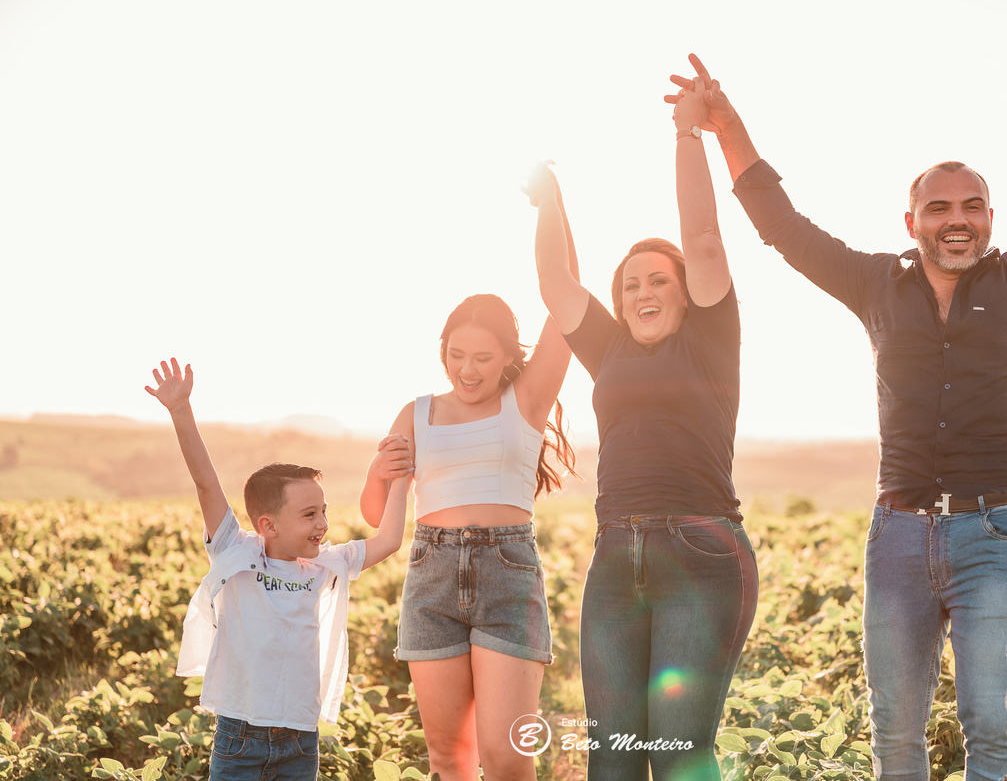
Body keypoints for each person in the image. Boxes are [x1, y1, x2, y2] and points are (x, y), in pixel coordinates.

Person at [666, 0, 1007, 781]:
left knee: (993, 731)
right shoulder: (875, 286)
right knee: (895, 736)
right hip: (896, 536)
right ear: (911, 221)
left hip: (996, 532)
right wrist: (724, 127)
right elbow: (782, 225)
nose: (955, 219)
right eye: (938, 207)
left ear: (990, 216)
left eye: (970, 207)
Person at [527, 78, 758, 781]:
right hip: (616, 556)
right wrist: (549, 200)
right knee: (614, 757)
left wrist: (688, 135)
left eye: (658, 281)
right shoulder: (612, 349)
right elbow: (558, 283)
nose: (642, 293)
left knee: (680, 751)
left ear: (686, 291)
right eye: (630, 284)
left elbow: (705, 239)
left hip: (702, 549)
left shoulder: (711, 336)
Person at [145, 358, 407, 781]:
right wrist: (180, 410)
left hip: (301, 740)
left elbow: (389, 540)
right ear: (267, 524)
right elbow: (206, 483)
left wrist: (399, 479)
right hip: (239, 737)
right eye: (308, 514)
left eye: (323, 511)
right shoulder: (236, 550)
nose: (322, 523)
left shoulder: (328, 564)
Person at [358, 289, 577, 781]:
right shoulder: (415, 413)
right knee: (448, 759)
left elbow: (566, 298)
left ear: (507, 357)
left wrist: (554, 209)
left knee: (506, 756)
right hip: (430, 581)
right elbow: (379, 515)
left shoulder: (526, 400)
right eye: (456, 356)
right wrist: (376, 471)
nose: (468, 369)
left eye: (482, 357)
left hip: (507, 577)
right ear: (443, 353)